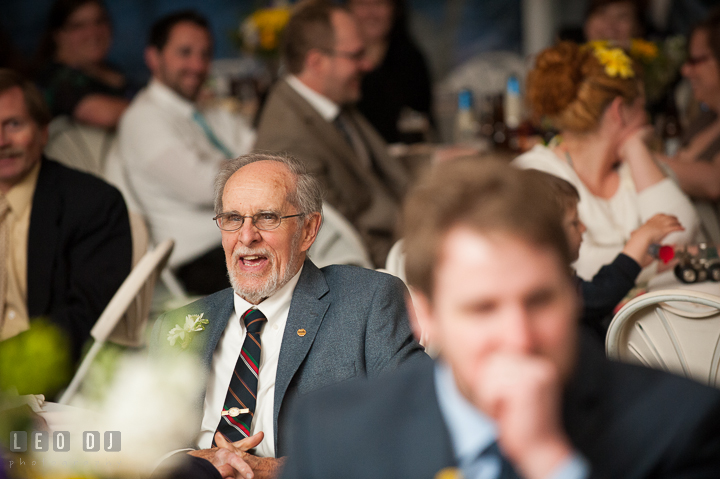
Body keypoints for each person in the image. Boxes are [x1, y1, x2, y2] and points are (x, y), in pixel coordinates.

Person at [280, 158, 720, 479]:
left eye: (540, 300)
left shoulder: (680, 423)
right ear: (426, 316)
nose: (519, 337)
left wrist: (551, 463)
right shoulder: (334, 434)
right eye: (482, 308)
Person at [149, 153, 425, 479]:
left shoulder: (368, 302)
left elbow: (416, 426)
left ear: (308, 230)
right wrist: (192, 462)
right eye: (232, 218)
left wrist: (274, 470)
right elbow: (140, 442)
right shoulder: (178, 324)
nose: (246, 236)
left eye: (267, 218)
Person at [513, 41, 698, 281]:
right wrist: (665, 259)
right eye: (643, 108)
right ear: (618, 111)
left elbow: (681, 233)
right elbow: (578, 264)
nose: (647, 120)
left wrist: (635, 148)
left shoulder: (639, 167)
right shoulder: (535, 172)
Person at [105, 10, 255, 296]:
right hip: (200, 257)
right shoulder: (144, 119)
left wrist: (237, 165)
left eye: (205, 54)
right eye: (185, 53)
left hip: (242, 241)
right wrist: (254, 167)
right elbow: (207, 187)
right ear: (153, 57)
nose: (198, 65)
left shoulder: (204, 110)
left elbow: (261, 144)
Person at [254, 0, 410, 267]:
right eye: (356, 55)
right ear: (317, 62)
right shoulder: (288, 139)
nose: (368, 64)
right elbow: (349, 240)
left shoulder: (329, 103)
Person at [0, 69, 131, 378]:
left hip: (44, 382)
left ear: (43, 131)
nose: (1, 141)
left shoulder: (93, 203)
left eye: (14, 124)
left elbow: (87, 317)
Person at [526, 169, 683, 338]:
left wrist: (637, 262)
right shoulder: (539, 284)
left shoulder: (556, 275)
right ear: (545, 234)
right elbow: (597, 297)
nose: (583, 227)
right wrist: (635, 248)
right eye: (574, 222)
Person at [347, 0, 433, 144]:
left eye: (379, 4)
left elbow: (422, 121)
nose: (371, 13)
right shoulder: (335, 65)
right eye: (362, 4)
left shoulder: (411, 60)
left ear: (395, 10)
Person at [34, 0, 131, 128]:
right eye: (78, 26)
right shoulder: (57, 79)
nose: (93, 32)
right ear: (59, 35)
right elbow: (105, 115)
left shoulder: (110, 69)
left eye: (99, 21)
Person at [660, 9, 720, 210]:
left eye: (695, 61)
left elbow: (714, 182)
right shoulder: (707, 117)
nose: (686, 70)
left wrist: (632, 151)